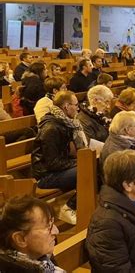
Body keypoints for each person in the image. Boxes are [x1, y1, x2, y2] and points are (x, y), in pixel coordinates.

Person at [32, 91, 87, 225]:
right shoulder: (51, 128)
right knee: (87, 170)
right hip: (46, 176)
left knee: (91, 166)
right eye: (75, 105)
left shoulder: (65, 123)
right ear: (66, 107)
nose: (78, 108)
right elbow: (52, 163)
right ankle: (69, 207)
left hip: (58, 170)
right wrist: (77, 162)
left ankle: (85, 207)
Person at [0, 196, 62, 272]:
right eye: (48, 226)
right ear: (20, 239)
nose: (56, 231)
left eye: (51, 222)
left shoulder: (40, 256)